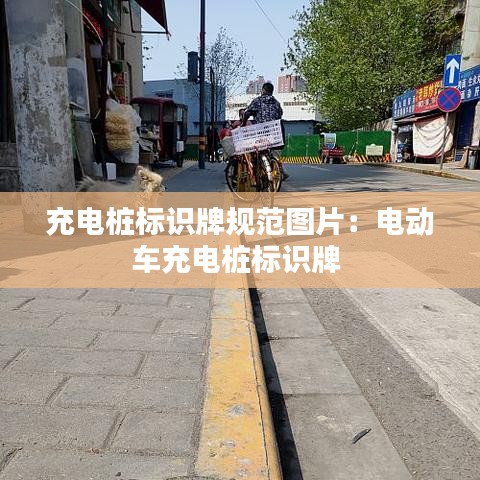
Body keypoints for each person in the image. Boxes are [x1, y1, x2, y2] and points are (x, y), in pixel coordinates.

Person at [242, 82, 289, 180]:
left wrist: (243, 123)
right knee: (273, 153)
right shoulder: (276, 103)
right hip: (276, 133)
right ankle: (280, 168)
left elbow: (247, 113)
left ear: (263, 90)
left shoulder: (258, 101)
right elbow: (280, 114)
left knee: (254, 152)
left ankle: (257, 173)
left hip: (261, 133)